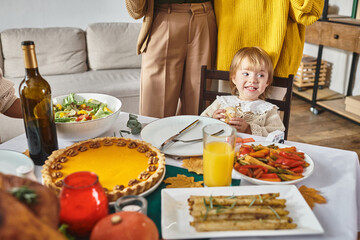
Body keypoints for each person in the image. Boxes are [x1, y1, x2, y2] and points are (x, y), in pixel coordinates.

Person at [125, 0, 217, 118]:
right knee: (154, 112)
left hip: (204, 18)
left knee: (197, 110)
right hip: (164, 19)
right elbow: (135, 12)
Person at [214, 0, 324, 78]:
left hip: (277, 59)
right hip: (230, 56)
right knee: (228, 109)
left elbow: (307, 14)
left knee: (269, 110)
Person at [201, 47, 285, 137]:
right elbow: (200, 121)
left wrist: (249, 129)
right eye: (246, 74)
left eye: (260, 75)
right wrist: (213, 120)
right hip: (221, 147)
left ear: (267, 82)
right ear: (234, 78)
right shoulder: (222, 102)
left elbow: (278, 134)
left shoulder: (268, 110)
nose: (252, 80)